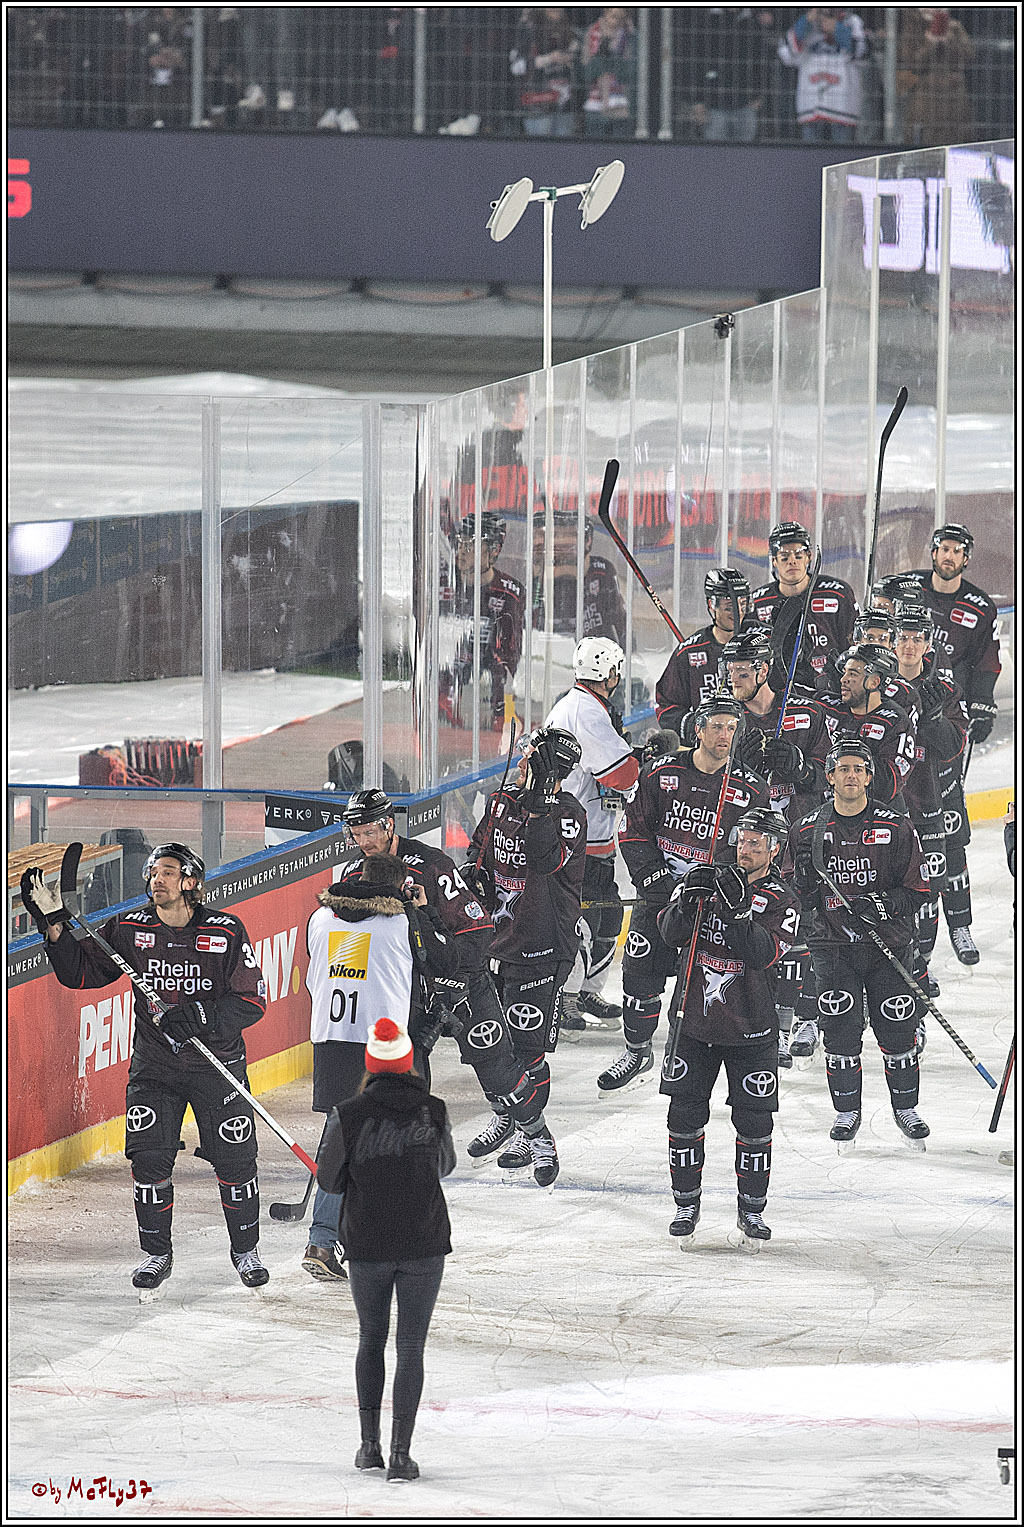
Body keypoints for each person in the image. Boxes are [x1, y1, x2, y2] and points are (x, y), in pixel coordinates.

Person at [22, 842, 268, 1292]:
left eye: (168, 872)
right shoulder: (129, 927)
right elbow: (84, 975)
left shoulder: (227, 930)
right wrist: (54, 925)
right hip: (155, 1067)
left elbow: (252, 1001)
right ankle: (157, 1254)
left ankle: (245, 1250)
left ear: (191, 881)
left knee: (236, 1161)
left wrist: (199, 1016)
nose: (157, 878)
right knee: (150, 1160)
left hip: (217, 1066)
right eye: (154, 871)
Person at [332, 790, 550, 1174]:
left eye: (369, 832)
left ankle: (537, 1134)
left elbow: (478, 930)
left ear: (389, 824)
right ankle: (412, 1160)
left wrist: (453, 978)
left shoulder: (431, 865)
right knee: (410, 1080)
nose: (363, 842)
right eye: (356, 834)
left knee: (497, 1068)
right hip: (410, 999)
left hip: (463, 985)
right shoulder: (352, 876)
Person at [301, 851, 460, 1282]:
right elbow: (448, 960)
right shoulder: (403, 922)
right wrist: (422, 910)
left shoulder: (321, 919)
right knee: (401, 1136)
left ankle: (322, 1238)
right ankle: (389, 1239)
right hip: (384, 1045)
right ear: (398, 886)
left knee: (343, 1133)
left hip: (331, 1042)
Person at [317, 1016, 455, 1482]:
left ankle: (368, 1446)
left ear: (371, 1063)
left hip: (368, 1243)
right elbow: (446, 1166)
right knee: (410, 1345)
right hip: (423, 1240)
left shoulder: (348, 1114)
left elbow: (330, 1180)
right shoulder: (433, 1109)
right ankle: (401, 1454)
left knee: (370, 1339)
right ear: (409, 1062)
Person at [656, 807, 801, 1245]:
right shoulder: (708, 879)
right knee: (683, 1115)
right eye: (743, 838)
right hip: (694, 1024)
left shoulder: (783, 900)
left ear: (775, 850)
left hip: (752, 1030)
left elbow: (760, 954)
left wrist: (738, 913)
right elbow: (669, 934)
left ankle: (751, 1213)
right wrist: (683, 902)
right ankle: (686, 1205)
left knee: (755, 1122)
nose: (748, 845)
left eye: (758, 840)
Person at [610, 696, 767, 1095]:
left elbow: (751, 849)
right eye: (716, 726)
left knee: (700, 981)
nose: (724, 736)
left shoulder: (749, 789)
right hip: (661, 898)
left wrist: (721, 884)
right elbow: (633, 830)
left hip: (709, 904)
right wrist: (654, 879)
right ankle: (637, 1048)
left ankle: (687, 1053)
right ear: (697, 729)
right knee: (640, 973)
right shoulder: (661, 773)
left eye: (732, 729)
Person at [792, 742, 931, 1148]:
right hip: (833, 946)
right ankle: (846, 1111)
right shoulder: (808, 829)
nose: (851, 775)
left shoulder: (895, 826)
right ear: (830, 777)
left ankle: (906, 1108)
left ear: (869, 777)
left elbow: (920, 889)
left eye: (858, 769)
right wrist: (803, 881)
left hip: (887, 945)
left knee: (898, 1029)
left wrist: (883, 906)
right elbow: (800, 892)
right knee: (838, 1030)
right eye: (843, 769)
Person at [467, 727, 587, 1185]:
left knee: (527, 1048)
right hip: (496, 941)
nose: (520, 761)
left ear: (548, 768)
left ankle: (528, 1131)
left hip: (541, 949)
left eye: (530, 758)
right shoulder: (503, 802)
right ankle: (508, 1114)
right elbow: (480, 849)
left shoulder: (568, 813)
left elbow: (542, 859)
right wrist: (471, 873)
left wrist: (537, 801)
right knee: (490, 1044)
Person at [544, 637, 639, 1028]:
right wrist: (642, 763)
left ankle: (586, 992)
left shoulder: (582, 705)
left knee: (608, 915)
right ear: (611, 673)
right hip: (574, 839)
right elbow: (621, 773)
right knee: (580, 921)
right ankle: (563, 999)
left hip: (591, 837)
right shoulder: (585, 712)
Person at [892, 603, 973, 981]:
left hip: (927, 806)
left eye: (917, 638)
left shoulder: (942, 688)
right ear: (893, 641)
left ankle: (920, 968)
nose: (909, 645)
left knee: (926, 890)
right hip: (883, 806)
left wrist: (936, 719)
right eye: (903, 637)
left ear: (928, 645)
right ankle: (889, 970)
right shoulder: (875, 682)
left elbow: (953, 746)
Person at [905, 524, 1002, 756]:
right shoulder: (907, 588)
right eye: (945, 549)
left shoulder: (981, 607)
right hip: (903, 696)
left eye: (957, 551)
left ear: (966, 559)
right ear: (933, 553)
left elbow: (986, 662)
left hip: (948, 707)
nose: (949, 556)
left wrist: (982, 706)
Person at [439, 511, 526, 737]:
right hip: (444, 697)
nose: (461, 552)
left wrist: (501, 708)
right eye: (460, 544)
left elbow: (510, 657)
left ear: (494, 551)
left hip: (489, 700)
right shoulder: (441, 587)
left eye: (471, 546)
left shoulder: (510, 593)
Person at [751, 522, 858, 693]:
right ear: (774, 562)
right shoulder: (758, 602)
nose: (792, 560)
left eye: (798, 555)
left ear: (809, 557)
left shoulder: (837, 593)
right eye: (784, 556)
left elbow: (854, 643)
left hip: (833, 688)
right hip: (779, 691)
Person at [656, 567, 752, 733]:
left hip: (753, 742)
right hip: (711, 747)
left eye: (742, 606)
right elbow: (666, 705)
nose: (738, 614)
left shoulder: (761, 642)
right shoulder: (689, 652)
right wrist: (690, 725)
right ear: (711, 605)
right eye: (730, 607)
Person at [820, 643, 917, 806]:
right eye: (844, 673)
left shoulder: (895, 720)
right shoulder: (826, 705)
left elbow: (889, 785)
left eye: (853, 674)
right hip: (832, 814)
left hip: (875, 818)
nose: (843, 680)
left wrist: (853, 751)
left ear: (874, 682)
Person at [532, 513, 627, 646]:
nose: (563, 542)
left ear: (588, 540)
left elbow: (621, 622)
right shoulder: (535, 585)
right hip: (554, 660)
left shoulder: (603, 573)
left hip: (598, 659)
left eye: (572, 535)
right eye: (556, 536)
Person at [778, 7, 868, 143]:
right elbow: (786, 54)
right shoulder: (807, 22)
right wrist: (806, 21)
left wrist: (836, 28)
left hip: (842, 107)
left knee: (842, 159)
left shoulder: (852, 21)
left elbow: (861, 52)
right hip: (811, 105)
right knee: (810, 159)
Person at [687, 5, 771, 142]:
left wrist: (760, 96)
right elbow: (695, 64)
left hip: (746, 105)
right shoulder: (707, 21)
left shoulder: (753, 23)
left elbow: (762, 62)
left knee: (745, 158)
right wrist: (697, 100)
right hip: (713, 107)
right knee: (715, 157)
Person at [898, 7, 974, 148]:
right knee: (924, 142)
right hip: (924, 97)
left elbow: (968, 58)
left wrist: (949, 40)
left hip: (955, 98)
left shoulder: (955, 27)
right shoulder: (913, 26)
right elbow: (912, 64)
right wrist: (930, 43)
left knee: (956, 142)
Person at [510, 8, 579, 137]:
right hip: (538, 103)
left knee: (564, 150)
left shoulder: (571, 32)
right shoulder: (529, 31)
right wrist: (549, 59)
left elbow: (579, 64)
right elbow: (516, 67)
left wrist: (570, 57)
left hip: (565, 104)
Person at [580, 6, 636, 138]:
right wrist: (603, 53)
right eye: (613, 16)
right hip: (595, 102)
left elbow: (630, 72)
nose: (616, 21)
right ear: (605, 14)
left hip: (621, 102)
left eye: (621, 18)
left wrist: (615, 58)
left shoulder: (629, 36)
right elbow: (586, 70)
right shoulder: (592, 32)